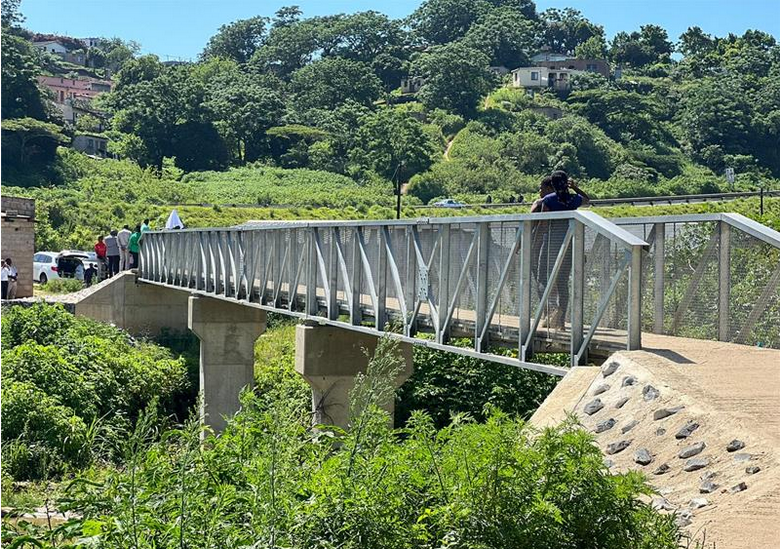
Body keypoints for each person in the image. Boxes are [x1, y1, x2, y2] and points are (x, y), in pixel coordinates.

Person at [535, 170, 590, 329]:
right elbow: (587, 201)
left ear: (552, 184)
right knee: (562, 282)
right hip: (569, 243)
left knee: (542, 278)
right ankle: (561, 320)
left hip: (551, 242)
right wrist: (575, 188)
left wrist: (535, 243)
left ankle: (550, 311)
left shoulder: (548, 200)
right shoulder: (574, 199)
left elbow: (543, 224)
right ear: (567, 183)